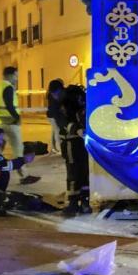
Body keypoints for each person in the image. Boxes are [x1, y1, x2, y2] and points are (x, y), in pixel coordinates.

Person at [0, 67, 38, 184]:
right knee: (18, 149)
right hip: (9, 123)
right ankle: (24, 176)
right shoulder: (8, 87)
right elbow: (9, 106)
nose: (17, 78)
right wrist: (17, 117)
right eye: (15, 75)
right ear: (9, 75)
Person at [58, 84, 91, 216]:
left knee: (79, 173)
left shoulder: (76, 107)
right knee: (77, 173)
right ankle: (78, 202)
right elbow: (66, 125)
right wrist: (77, 129)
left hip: (77, 145)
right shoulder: (69, 108)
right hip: (73, 144)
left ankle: (79, 202)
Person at [46, 79, 64, 155]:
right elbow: (56, 106)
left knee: (54, 131)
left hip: (50, 115)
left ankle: (54, 147)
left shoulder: (49, 93)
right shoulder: (53, 94)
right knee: (57, 132)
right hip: (53, 115)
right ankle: (59, 149)